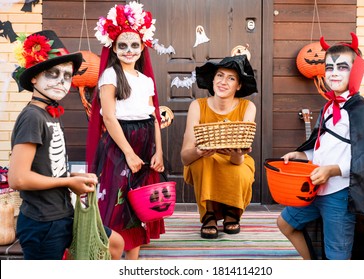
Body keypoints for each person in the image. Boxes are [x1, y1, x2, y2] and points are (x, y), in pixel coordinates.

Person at [8, 30, 124, 260]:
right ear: (34, 77)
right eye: (53, 73)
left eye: (67, 75)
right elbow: (18, 178)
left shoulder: (50, 114)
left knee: (115, 244)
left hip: (62, 214)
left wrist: (74, 177)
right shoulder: (33, 117)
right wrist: (69, 182)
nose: (62, 81)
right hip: (43, 223)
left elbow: (46, 167)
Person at [277, 32, 364, 260]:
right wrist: (301, 154)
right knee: (285, 223)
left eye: (342, 67)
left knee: (337, 254)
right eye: (329, 67)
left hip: (340, 195)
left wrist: (333, 170)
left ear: (355, 70)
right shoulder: (329, 107)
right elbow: (323, 143)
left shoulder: (361, 110)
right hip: (315, 190)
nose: (334, 73)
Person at [86, 2, 165, 260]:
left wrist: (159, 151)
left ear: (143, 47)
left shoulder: (146, 80)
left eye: (134, 45)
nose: (129, 50)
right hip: (120, 142)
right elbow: (108, 117)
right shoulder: (110, 75)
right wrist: (129, 154)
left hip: (145, 139)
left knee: (137, 202)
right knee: (116, 198)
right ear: (114, 47)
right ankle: (109, 255)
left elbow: (154, 116)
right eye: (122, 45)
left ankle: (132, 262)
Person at [181, 54, 257, 239]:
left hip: (235, 159)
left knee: (240, 170)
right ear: (213, 79)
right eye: (220, 76)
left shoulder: (248, 107)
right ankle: (209, 214)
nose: (223, 82)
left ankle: (233, 211)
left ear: (238, 85)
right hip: (204, 157)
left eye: (231, 78)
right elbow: (185, 157)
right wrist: (200, 151)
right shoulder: (197, 106)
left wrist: (238, 154)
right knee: (203, 162)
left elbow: (238, 159)